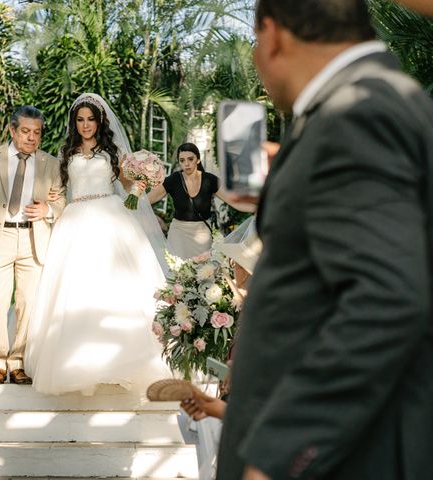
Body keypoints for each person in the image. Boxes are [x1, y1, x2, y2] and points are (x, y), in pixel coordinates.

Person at [217, 1, 433, 480]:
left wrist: (280, 456)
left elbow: (386, 299)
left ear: (272, 34)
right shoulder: (372, 99)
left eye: (255, 41)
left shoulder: (357, 114)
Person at [24, 93, 170, 396]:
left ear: (99, 120)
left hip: (111, 214)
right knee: (78, 288)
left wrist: (139, 182)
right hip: (76, 220)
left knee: (118, 283)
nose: (85, 125)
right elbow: (62, 189)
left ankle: (128, 360)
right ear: (74, 123)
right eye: (80, 119)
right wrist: (51, 203)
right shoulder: (67, 152)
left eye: (90, 119)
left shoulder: (110, 151)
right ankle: (80, 363)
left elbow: (126, 185)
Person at [0, 106, 66, 385]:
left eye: (37, 133)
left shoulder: (51, 164)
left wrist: (48, 209)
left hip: (34, 239)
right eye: (25, 131)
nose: (31, 138)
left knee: (27, 303)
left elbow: (62, 201)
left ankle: (18, 361)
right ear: (12, 130)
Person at [148, 143, 255, 259]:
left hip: (202, 235)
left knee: (203, 273)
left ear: (198, 159)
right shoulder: (173, 180)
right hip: (178, 232)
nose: (186, 164)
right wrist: (133, 195)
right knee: (175, 270)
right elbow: (146, 201)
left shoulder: (210, 180)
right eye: (182, 160)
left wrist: (260, 208)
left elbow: (234, 201)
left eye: (190, 159)